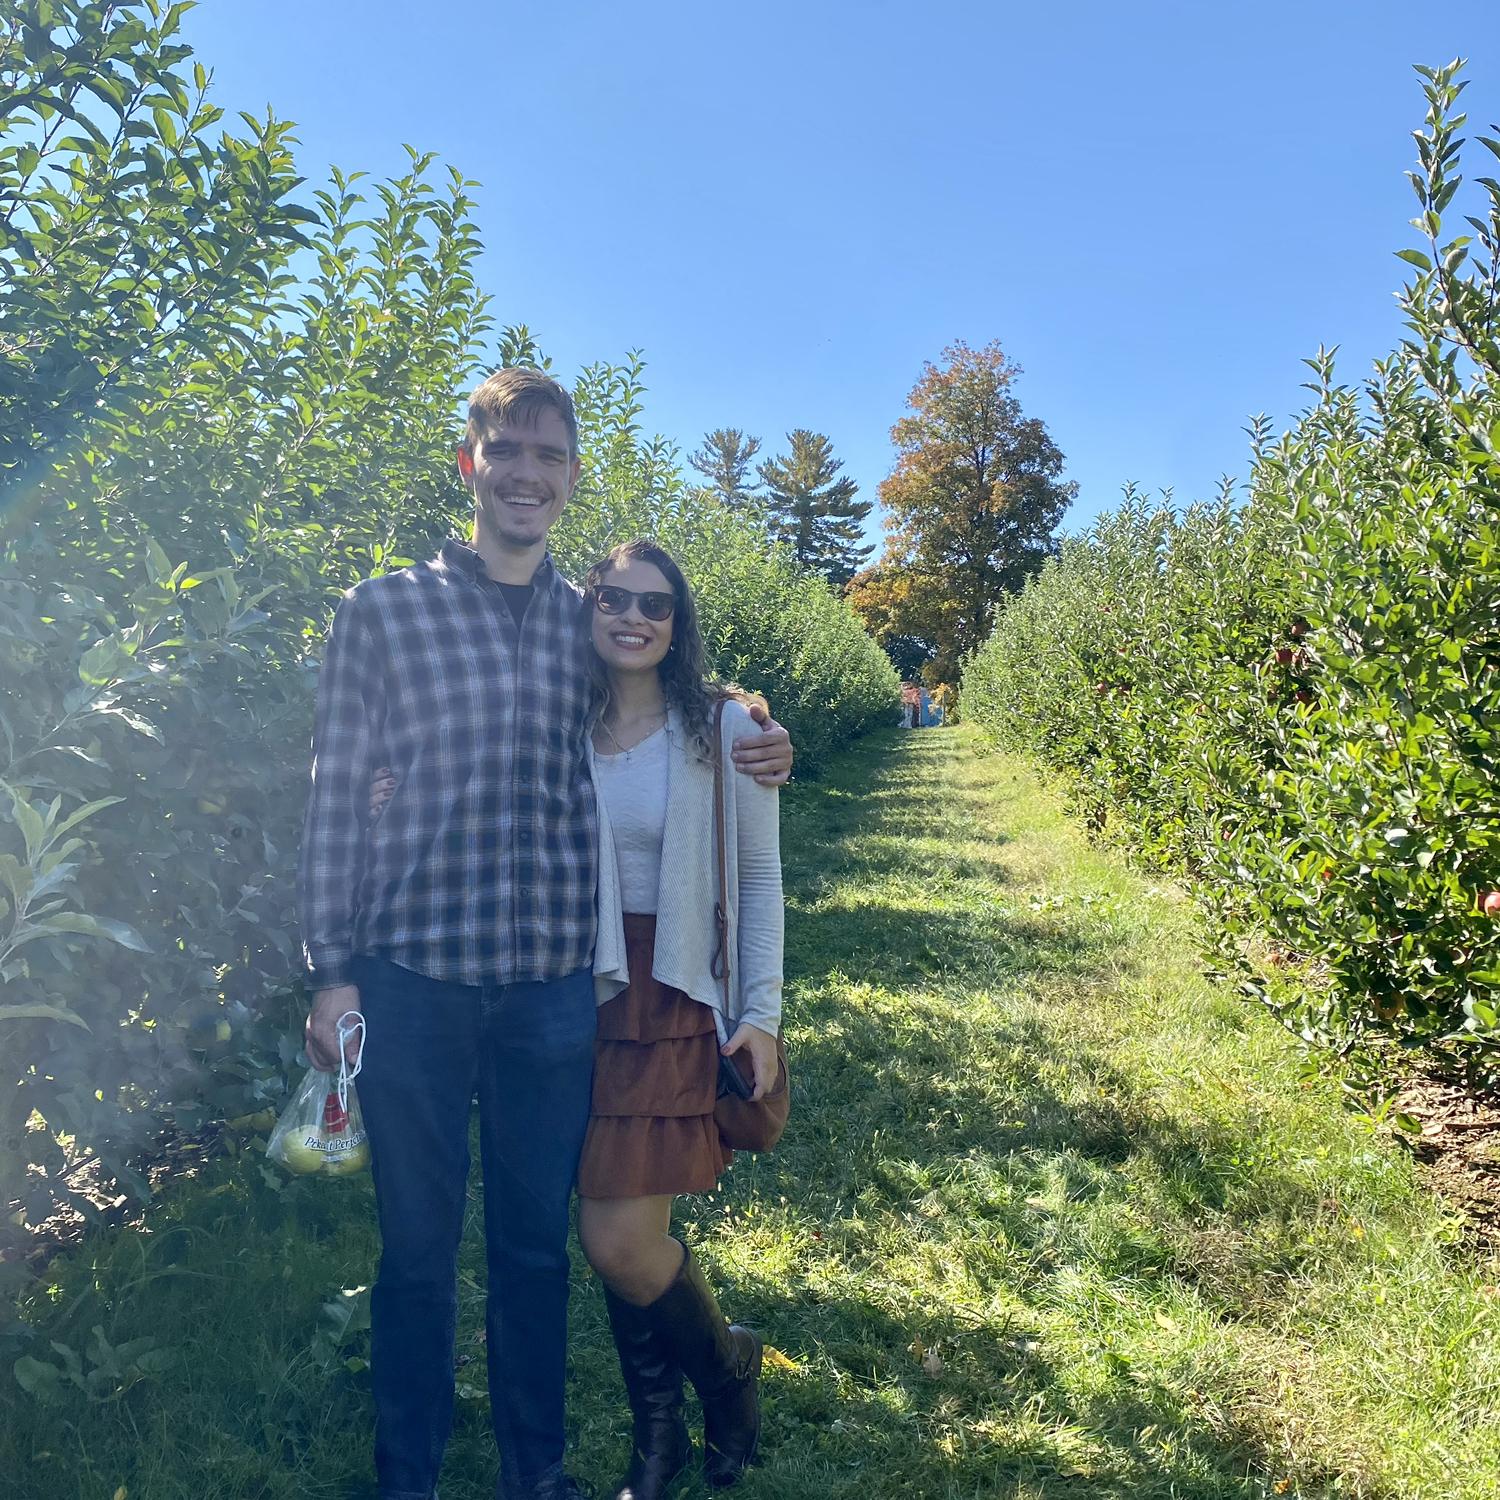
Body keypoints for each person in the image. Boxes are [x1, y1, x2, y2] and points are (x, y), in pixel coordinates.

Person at [297, 368, 792, 1500]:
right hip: (413, 975)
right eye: (505, 450)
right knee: (417, 1251)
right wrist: (331, 971)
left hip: (553, 990)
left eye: (549, 455)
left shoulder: (588, 619)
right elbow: (335, 794)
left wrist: (764, 730)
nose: (526, 474)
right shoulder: (384, 611)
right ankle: (408, 1478)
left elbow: (676, 686)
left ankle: (539, 1476)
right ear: (468, 464)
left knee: (532, 1250)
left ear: (571, 477)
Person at [575, 540, 783, 1500]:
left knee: (617, 1238)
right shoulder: (558, 719)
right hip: (573, 989)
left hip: (669, 993)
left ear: (677, 622)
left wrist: (761, 1014)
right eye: (614, 598)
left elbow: (760, 879)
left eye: (655, 605)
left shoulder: (724, 727)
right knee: (611, 1220)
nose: (633, 617)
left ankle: (726, 1374)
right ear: (587, 606)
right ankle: (660, 1435)